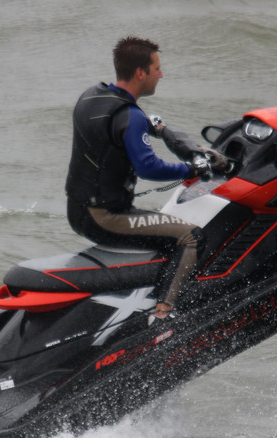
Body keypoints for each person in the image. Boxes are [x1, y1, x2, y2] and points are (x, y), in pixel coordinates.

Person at [65, 36, 226, 320]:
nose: (161, 74)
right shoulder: (130, 115)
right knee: (190, 237)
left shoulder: (92, 96)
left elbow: (114, 133)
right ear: (140, 73)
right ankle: (163, 315)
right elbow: (148, 168)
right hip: (105, 217)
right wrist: (191, 170)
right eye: (157, 68)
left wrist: (157, 129)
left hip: (78, 210)